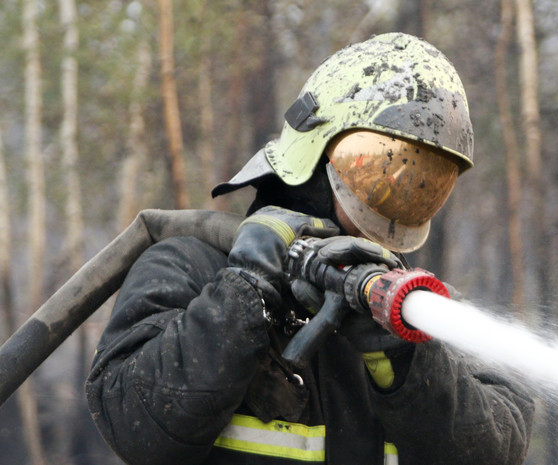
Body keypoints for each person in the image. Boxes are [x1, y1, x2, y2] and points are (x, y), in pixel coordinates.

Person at [86, 32, 534, 465]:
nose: (397, 197)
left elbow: (497, 446)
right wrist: (245, 294)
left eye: (421, 185)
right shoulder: (188, 269)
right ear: (316, 154)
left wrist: (406, 355)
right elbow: (134, 425)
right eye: (380, 172)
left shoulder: (423, 316)